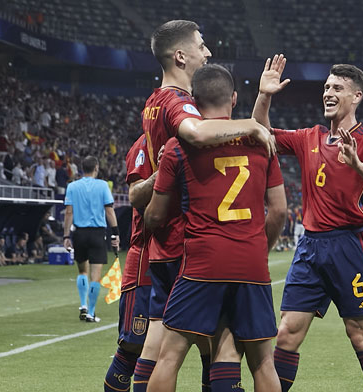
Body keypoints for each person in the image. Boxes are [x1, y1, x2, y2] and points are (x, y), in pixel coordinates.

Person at [128, 19, 274, 390]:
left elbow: (146, 187)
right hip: (190, 243)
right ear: (180, 56)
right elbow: (195, 132)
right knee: (222, 345)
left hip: (162, 243)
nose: (207, 52)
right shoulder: (179, 104)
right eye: (201, 46)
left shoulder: (152, 103)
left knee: (158, 345)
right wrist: (252, 125)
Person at [253, 60, 363, 391]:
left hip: (349, 246)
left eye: (337, 88)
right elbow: (261, 132)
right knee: (287, 332)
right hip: (309, 248)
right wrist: (264, 95)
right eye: (326, 87)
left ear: (356, 96)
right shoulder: (310, 136)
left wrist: (359, 164)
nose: (328, 93)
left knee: (359, 333)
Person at [103, 134, 155, 392]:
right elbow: (136, 195)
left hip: (186, 259)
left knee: (207, 346)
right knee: (135, 344)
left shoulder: (192, 138)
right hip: (146, 259)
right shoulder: (143, 146)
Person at [63, 155, 120, 323]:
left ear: (82, 168)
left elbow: (68, 212)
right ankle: (91, 313)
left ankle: (83, 305)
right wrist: (115, 233)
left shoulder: (72, 186)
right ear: (96, 168)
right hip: (97, 233)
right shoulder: (102, 186)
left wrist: (66, 236)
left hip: (79, 233)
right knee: (95, 276)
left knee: (82, 271)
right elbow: (109, 211)